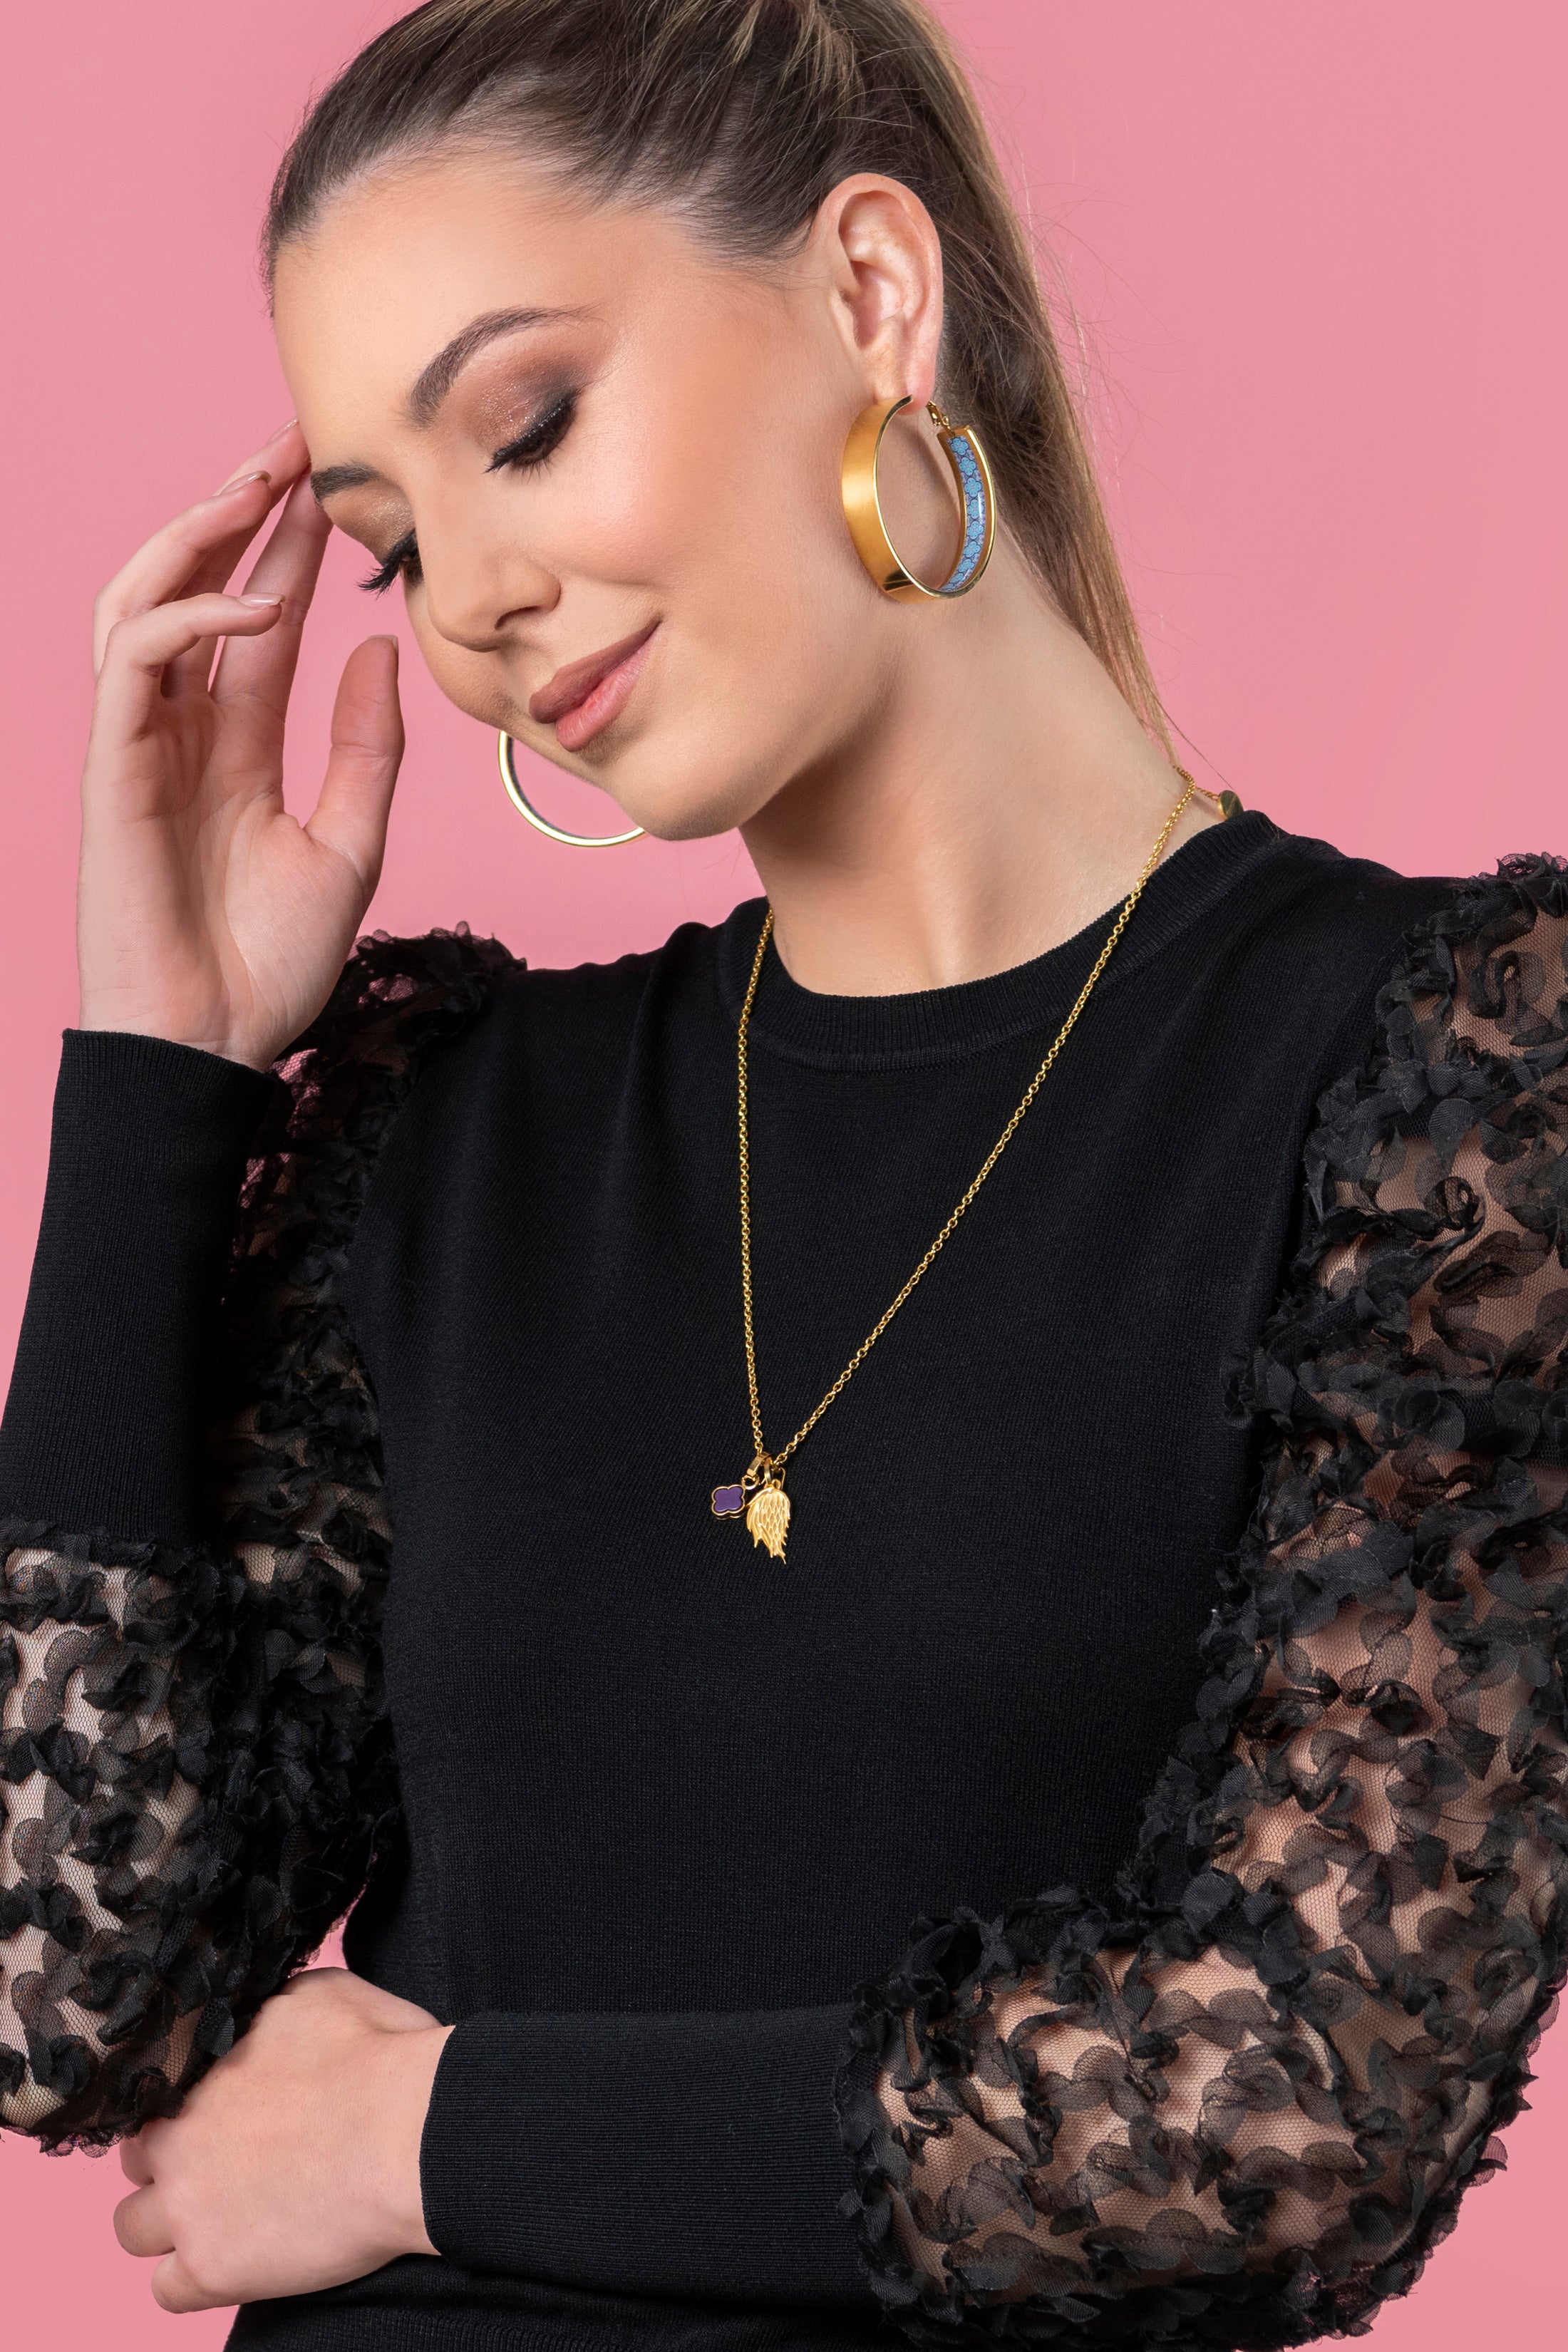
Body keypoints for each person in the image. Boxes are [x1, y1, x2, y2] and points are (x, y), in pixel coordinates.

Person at [1, 2, 1564, 2348]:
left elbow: (1295, 2097)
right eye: (394, 546)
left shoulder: (1443, 1080)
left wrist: (429, 2141)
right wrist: (161, 1069)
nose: (472, 599)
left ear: (869, 291)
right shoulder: (449, 1124)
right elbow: (66, 1984)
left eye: (529, 425)